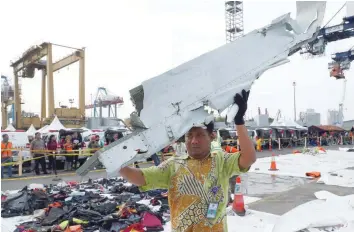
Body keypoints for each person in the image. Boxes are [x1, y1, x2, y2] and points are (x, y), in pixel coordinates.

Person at [120, 90, 256, 231]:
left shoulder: (221, 161)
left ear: (212, 136)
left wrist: (239, 121)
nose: (194, 141)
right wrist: (118, 165)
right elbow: (142, 178)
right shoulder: (174, 165)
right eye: (189, 136)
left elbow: (249, 158)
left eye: (200, 135)